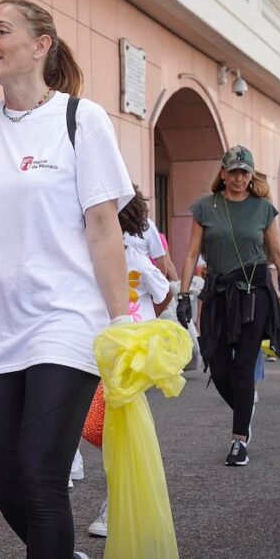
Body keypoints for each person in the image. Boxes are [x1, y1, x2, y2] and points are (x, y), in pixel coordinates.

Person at [0, 0, 135, 559]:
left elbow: (102, 228)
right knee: (3, 482)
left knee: (42, 477)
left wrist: (122, 326)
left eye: (1, 31)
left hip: (64, 320)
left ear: (41, 45)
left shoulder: (79, 120)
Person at [177, 146, 280, 466]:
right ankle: (245, 409)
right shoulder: (205, 207)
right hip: (218, 291)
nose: (238, 178)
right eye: (233, 171)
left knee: (244, 364)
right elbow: (191, 254)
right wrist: (184, 294)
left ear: (251, 175)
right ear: (223, 173)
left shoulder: (263, 208)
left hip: (253, 292)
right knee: (216, 365)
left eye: (244, 172)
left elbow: (277, 255)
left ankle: (239, 439)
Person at [81, 188, 167, 538]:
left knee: (109, 427)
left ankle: (114, 503)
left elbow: (164, 294)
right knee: (92, 424)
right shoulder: (84, 252)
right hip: (94, 346)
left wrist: (141, 324)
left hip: (126, 355)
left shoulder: (133, 255)